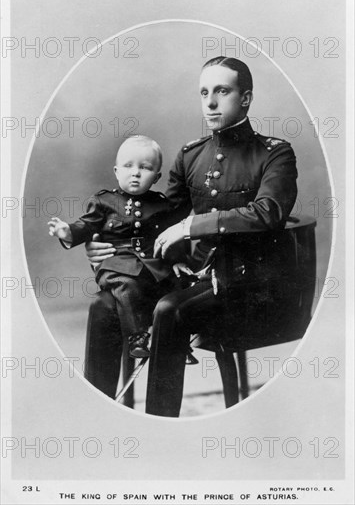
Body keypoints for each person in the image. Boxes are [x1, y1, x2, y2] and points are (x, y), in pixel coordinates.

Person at [85, 56, 298, 414]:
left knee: (169, 310)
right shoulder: (191, 155)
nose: (211, 102)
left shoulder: (275, 154)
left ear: (244, 98)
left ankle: (159, 419)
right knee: (104, 306)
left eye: (222, 91)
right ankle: (96, 415)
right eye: (204, 93)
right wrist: (104, 241)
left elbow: (269, 213)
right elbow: (157, 221)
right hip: (195, 277)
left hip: (250, 286)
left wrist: (191, 227)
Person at [48, 135, 191, 359]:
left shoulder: (161, 204)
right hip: (116, 264)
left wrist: (178, 260)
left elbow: (170, 235)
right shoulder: (104, 202)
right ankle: (138, 338)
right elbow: (86, 225)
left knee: (175, 288)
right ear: (116, 171)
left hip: (151, 265)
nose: (135, 172)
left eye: (145, 168)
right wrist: (67, 232)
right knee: (126, 287)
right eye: (128, 166)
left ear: (156, 177)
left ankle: (179, 346)